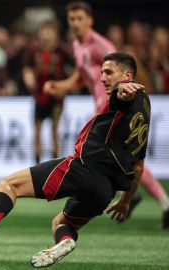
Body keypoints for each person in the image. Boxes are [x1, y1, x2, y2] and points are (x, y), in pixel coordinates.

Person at [0, 52, 150, 268]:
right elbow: (138, 167)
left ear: (127, 75)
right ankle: (65, 241)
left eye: (109, 73)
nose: (102, 78)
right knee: (61, 223)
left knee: (8, 184)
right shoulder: (145, 105)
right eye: (101, 73)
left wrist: (122, 89)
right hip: (106, 191)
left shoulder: (125, 94)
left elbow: (121, 94)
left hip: (83, 168)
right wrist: (126, 201)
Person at [45, 1, 169, 229]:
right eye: (72, 19)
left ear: (90, 20)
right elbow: (81, 78)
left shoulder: (100, 45)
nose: (75, 23)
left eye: (80, 18)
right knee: (123, 158)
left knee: (117, 156)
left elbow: (123, 70)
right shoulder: (77, 45)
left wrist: (135, 98)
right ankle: (133, 193)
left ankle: (139, 196)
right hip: (101, 109)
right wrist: (60, 86)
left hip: (114, 109)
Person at [22, 20, 71, 164]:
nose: (47, 34)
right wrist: (28, 77)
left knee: (55, 132)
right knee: (37, 130)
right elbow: (26, 67)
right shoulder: (34, 50)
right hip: (39, 97)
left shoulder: (62, 50)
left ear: (55, 33)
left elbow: (76, 68)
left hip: (56, 98)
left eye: (50, 30)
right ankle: (36, 164)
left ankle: (55, 165)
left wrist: (65, 87)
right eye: (44, 30)